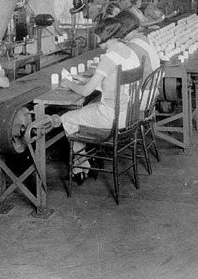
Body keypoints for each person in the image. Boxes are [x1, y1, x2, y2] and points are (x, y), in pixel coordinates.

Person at [59, 18, 141, 183]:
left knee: (67, 118)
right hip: (130, 116)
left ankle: (80, 167)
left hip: (111, 118)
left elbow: (86, 91)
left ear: (107, 36)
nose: (96, 41)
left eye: (97, 37)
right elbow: (114, 81)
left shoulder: (109, 57)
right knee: (87, 107)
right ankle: (85, 162)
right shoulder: (129, 52)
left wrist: (68, 83)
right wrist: (86, 79)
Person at [114, 10, 160, 81]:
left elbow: (125, 71)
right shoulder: (143, 38)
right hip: (154, 84)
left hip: (143, 88)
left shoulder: (131, 46)